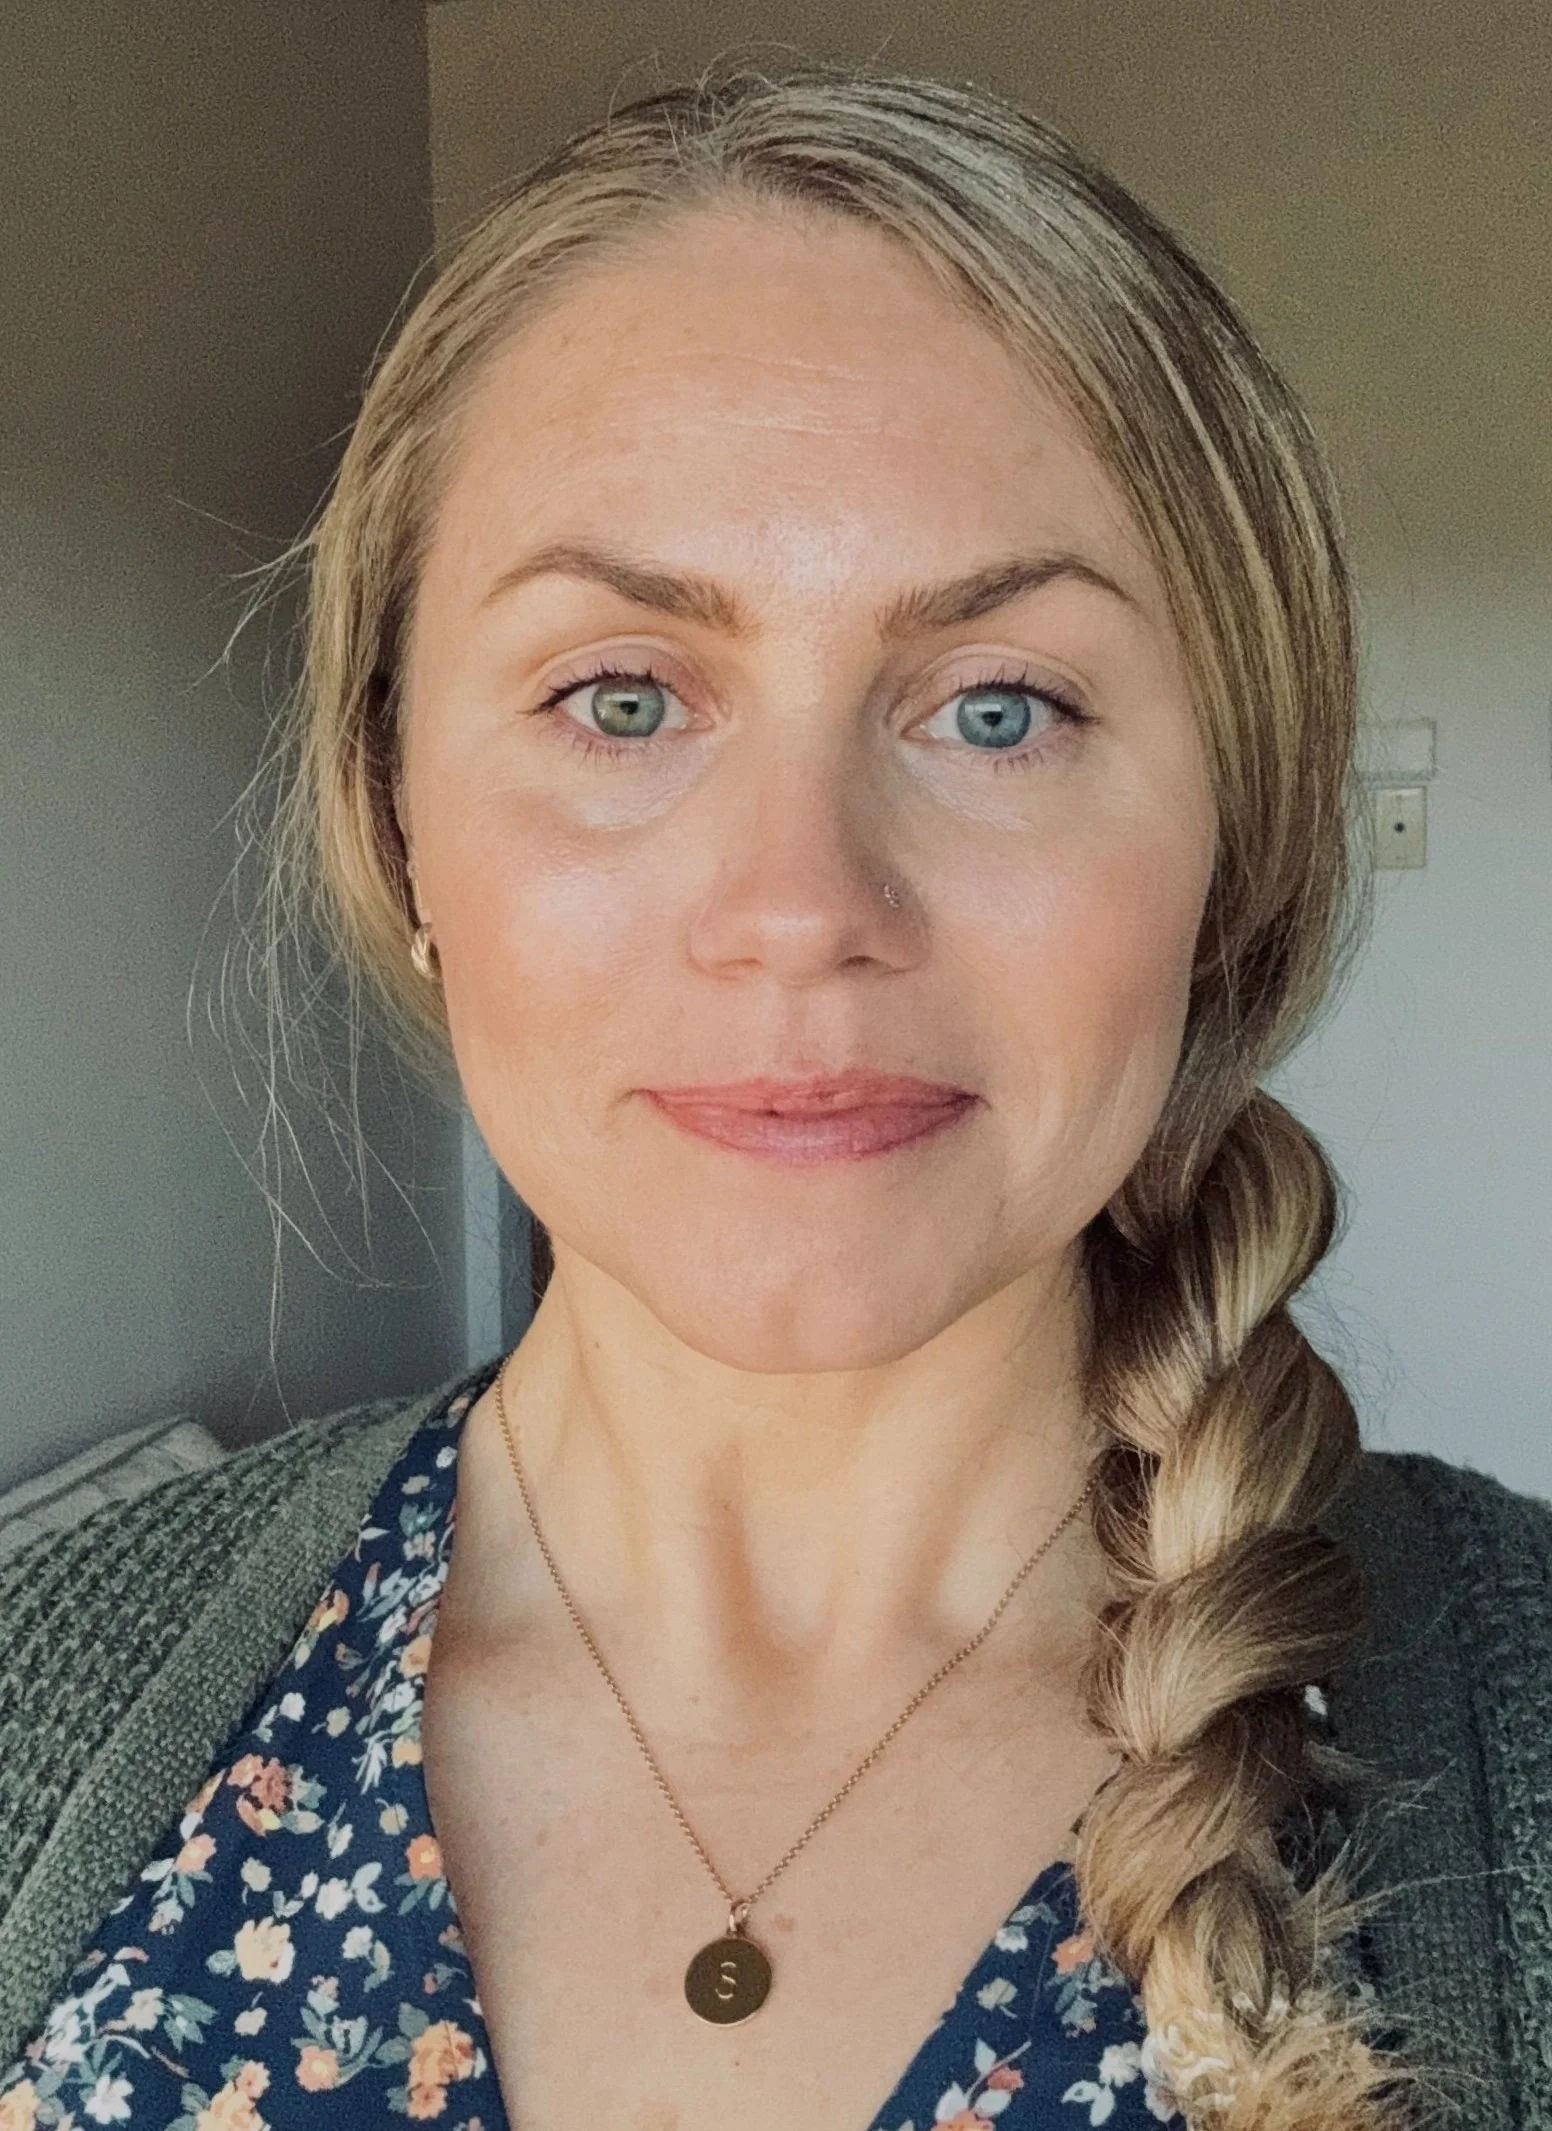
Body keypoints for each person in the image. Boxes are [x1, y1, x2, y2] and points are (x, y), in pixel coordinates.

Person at [1, 57, 1547, 2131]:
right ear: (398, 819)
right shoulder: (42, 1695)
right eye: (619, 697)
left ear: (1227, 842)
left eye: (995, 708)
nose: (799, 907)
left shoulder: (1513, 1743)